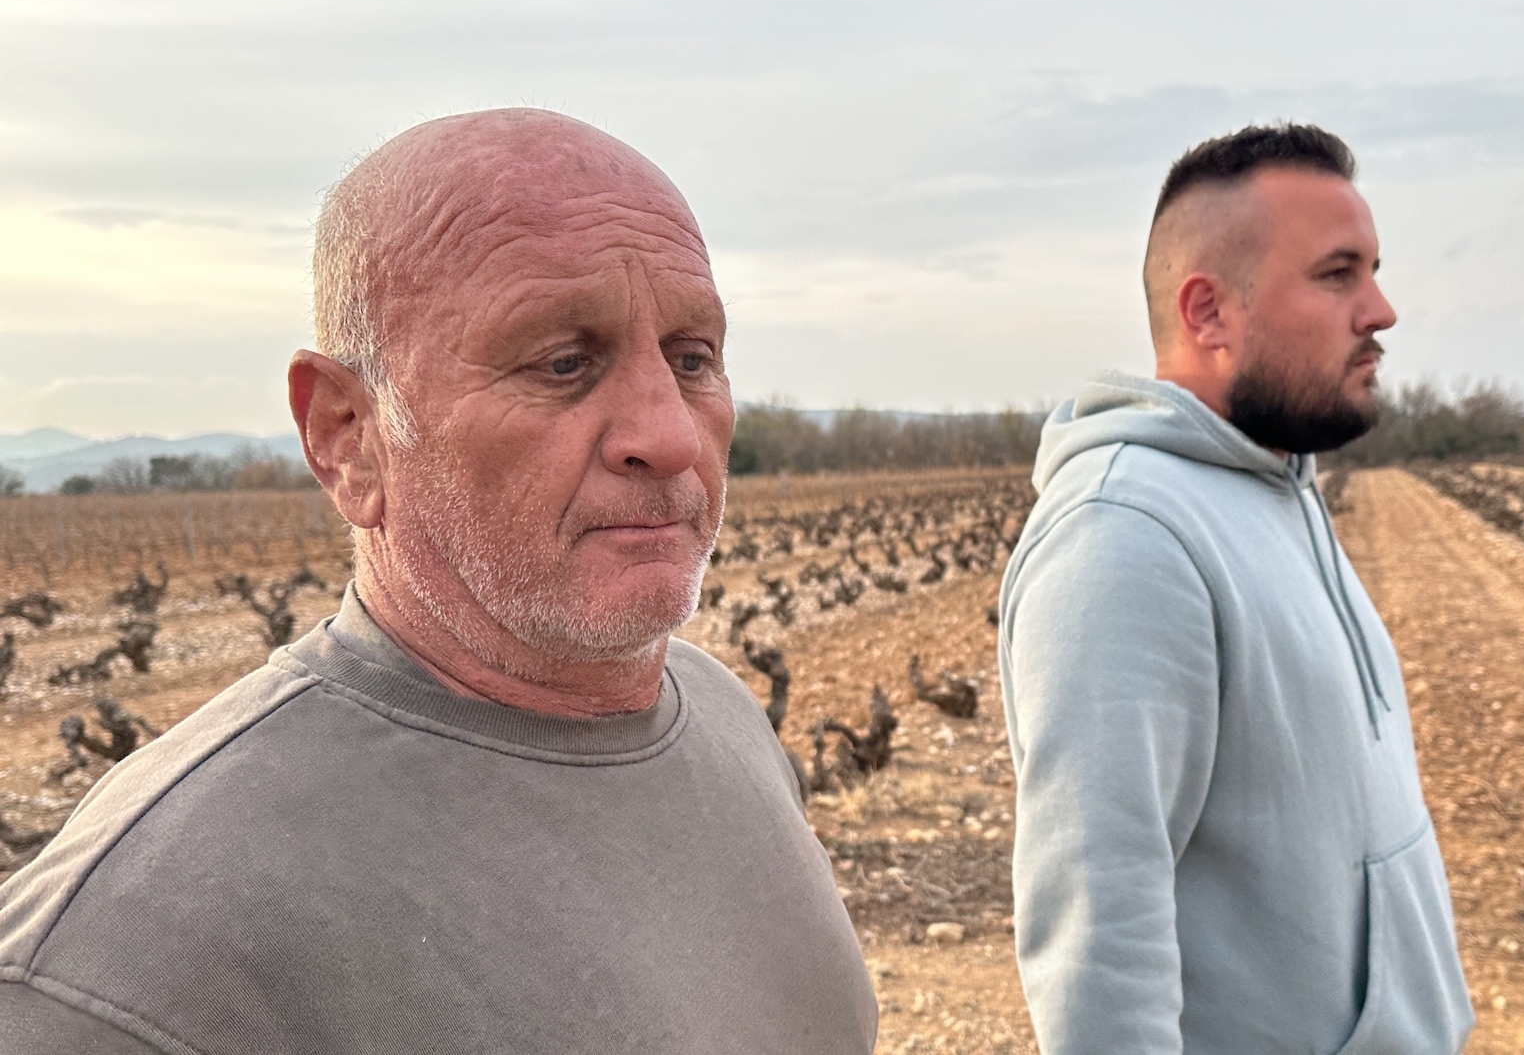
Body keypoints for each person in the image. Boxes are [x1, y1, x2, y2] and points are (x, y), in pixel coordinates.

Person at [0, 109, 877, 1054]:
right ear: (347, 434)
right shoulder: (128, 970)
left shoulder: (723, 715)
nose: (667, 436)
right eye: (563, 363)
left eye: (692, 357)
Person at [997, 123, 1472, 1054]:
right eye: (1338, 275)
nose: (1380, 310)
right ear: (1208, 312)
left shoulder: (1274, 483)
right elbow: (1099, 937)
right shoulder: (1123, 539)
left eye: (1373, 270)